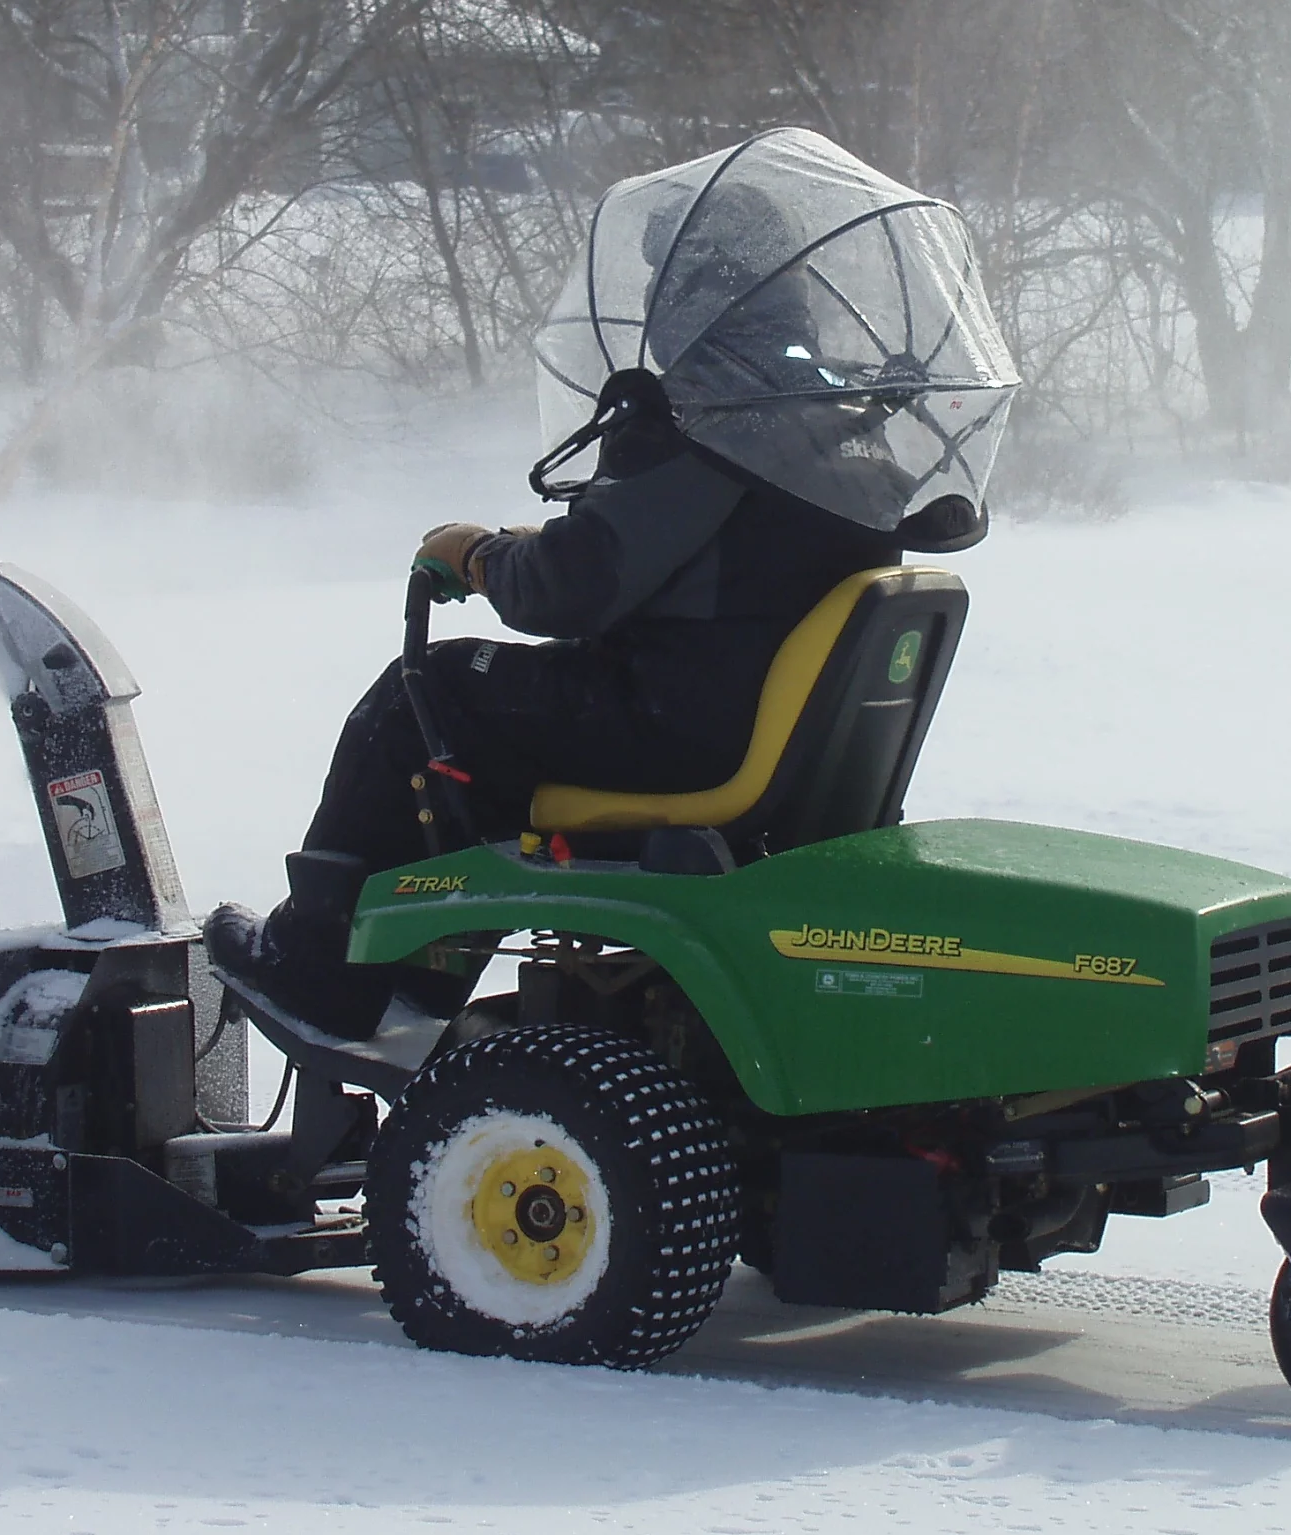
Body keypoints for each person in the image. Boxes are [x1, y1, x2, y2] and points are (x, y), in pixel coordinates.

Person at [204, 349, 901, 1038]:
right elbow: (729, 565)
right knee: (504, 722)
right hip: (771, 732)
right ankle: (415, 977)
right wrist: (554, 544)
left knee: (428, 693)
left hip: (671, 727)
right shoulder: (838, 423)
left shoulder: (713, 418)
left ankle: (314, 965)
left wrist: (480, 556)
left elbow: (570, 588)